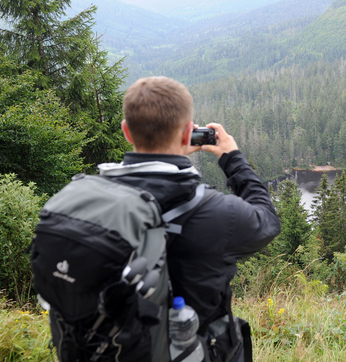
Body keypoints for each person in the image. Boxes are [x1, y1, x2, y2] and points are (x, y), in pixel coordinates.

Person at [103, 76, 281, 361]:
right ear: (189, 133)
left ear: (126, 131)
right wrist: (232, 158)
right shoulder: (216, 212)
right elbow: (267, 221)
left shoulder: (95, 200)